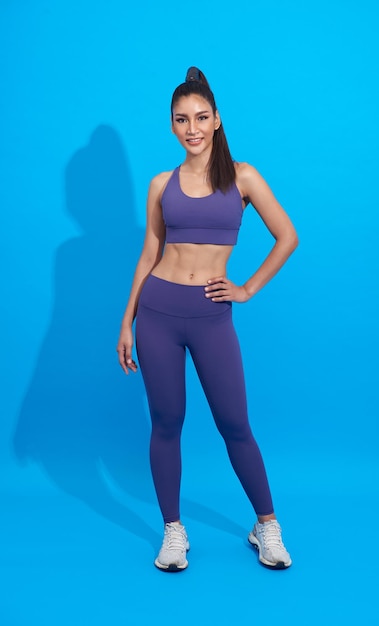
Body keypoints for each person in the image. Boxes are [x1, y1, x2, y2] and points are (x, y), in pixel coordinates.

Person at [116, 67, 298, 572]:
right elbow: (149, 250)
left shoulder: (242, 177)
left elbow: (287, 236)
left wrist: (246, 289)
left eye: (200, 117)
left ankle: (266, 525)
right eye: (181, 119)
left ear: (217, 120)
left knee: (235, 425)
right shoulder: (160, 184)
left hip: (211, 315)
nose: (191, 127)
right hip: (157, 313)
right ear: (171, 126)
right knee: (166, 422)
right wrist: (126, 321)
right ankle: (173, 531)